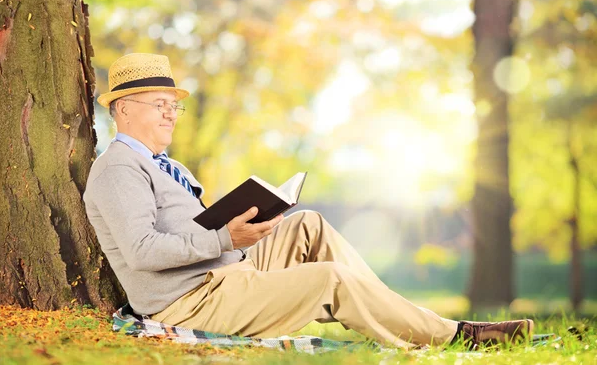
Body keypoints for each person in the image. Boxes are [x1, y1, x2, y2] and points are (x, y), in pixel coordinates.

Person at [84, 53, 533, 350]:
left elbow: (191, 231)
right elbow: (143, 251)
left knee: (307, 224)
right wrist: (226, 237)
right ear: (123, 109)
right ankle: (455, 337)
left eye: (173, 105)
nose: (170, 113)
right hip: (193, 299)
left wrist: (244, 228)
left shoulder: (166, 164)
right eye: (159, 103)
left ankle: (400, 316)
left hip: (223, 272)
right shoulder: (120, 168)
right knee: (330, 279)